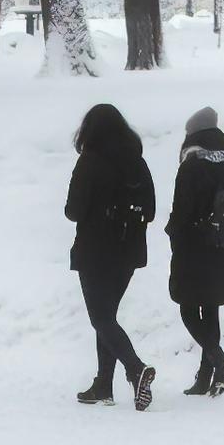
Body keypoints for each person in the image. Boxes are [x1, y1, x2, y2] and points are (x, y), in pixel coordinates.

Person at [65, 104, 157, 411]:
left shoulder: (89, 162)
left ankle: (135, 369)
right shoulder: (137, 162)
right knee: (107, 318)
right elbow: (152, 211)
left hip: (94, 250)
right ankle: (103, 384)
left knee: (101, 318)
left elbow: (73, 211)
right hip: (128, 252)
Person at [167, 106, 224, 398]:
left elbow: (182, 209)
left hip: (193, 245)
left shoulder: (192, 165)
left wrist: (174, 233)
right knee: (210, 308)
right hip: (222, 245)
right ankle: (207, 375)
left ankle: (219, 361)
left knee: (186, 307)